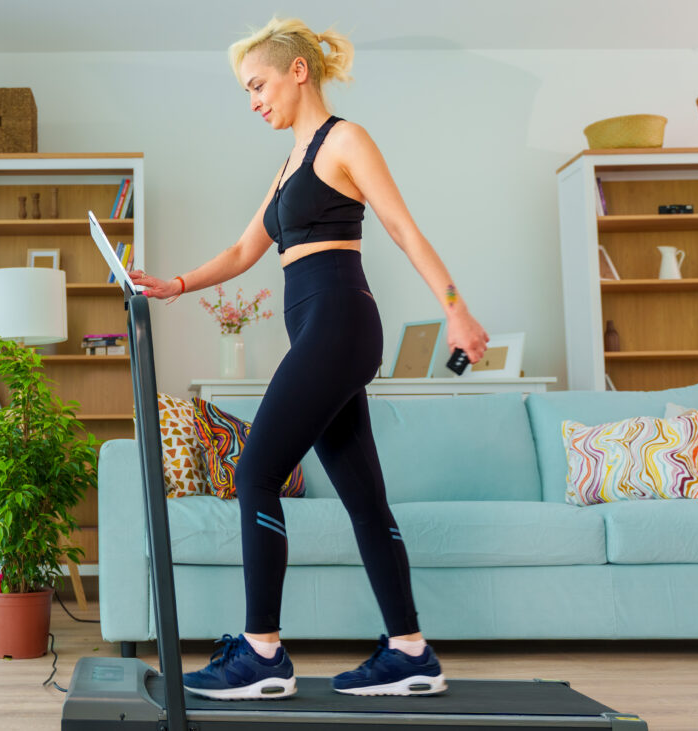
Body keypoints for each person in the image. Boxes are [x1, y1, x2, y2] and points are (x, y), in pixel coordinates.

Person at [127, 16, 490, 701]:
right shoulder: (289, 163)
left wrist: (454, 308)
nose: (254, 100)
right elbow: (241, 252)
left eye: (258, 84)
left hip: (340, 323)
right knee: (364, 498)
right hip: (323, 332)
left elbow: (402, 227)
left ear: (298, 71)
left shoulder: (344, 140)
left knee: (256, 470)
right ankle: (410, 650)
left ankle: (262, 650)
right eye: (246, 91)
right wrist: (173, 284)